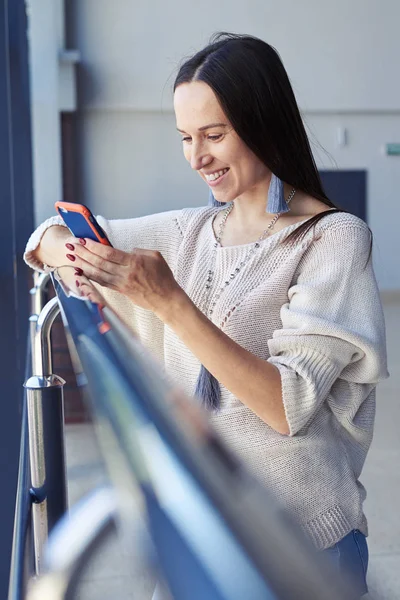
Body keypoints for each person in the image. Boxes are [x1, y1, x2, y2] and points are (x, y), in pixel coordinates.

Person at [24, 33, 388, 597]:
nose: (198, 157)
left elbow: (285, 407)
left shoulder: (334, 240)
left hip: (300, 548)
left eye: (214, 135)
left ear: (263, 122)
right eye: (186, 138)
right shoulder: (191, 231)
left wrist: (169, 302)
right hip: (200, 523)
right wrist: (74, 253)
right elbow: (45, 235)